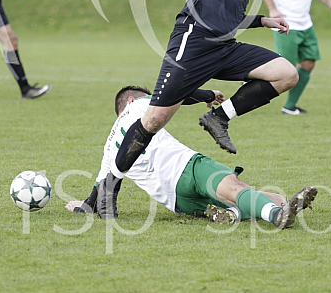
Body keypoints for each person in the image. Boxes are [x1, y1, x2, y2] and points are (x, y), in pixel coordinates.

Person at [96, 0, 324, 219]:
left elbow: (225, 16)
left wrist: (262, 21)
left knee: (286, 73)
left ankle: (219, 117)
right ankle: (107, 191)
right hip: (193, 43)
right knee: (154, 119)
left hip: (224, 47)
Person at [67, 85, 317, 229]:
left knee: (243, 201)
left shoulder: (110, 149)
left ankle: (244, 212)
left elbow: (96, 196)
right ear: (132, 99)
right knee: (239, 189)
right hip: (188, 168)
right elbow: (174, 93)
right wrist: (208, 95)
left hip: (177, 201)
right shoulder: (140, 104)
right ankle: (277, 215)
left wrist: (80, 206)